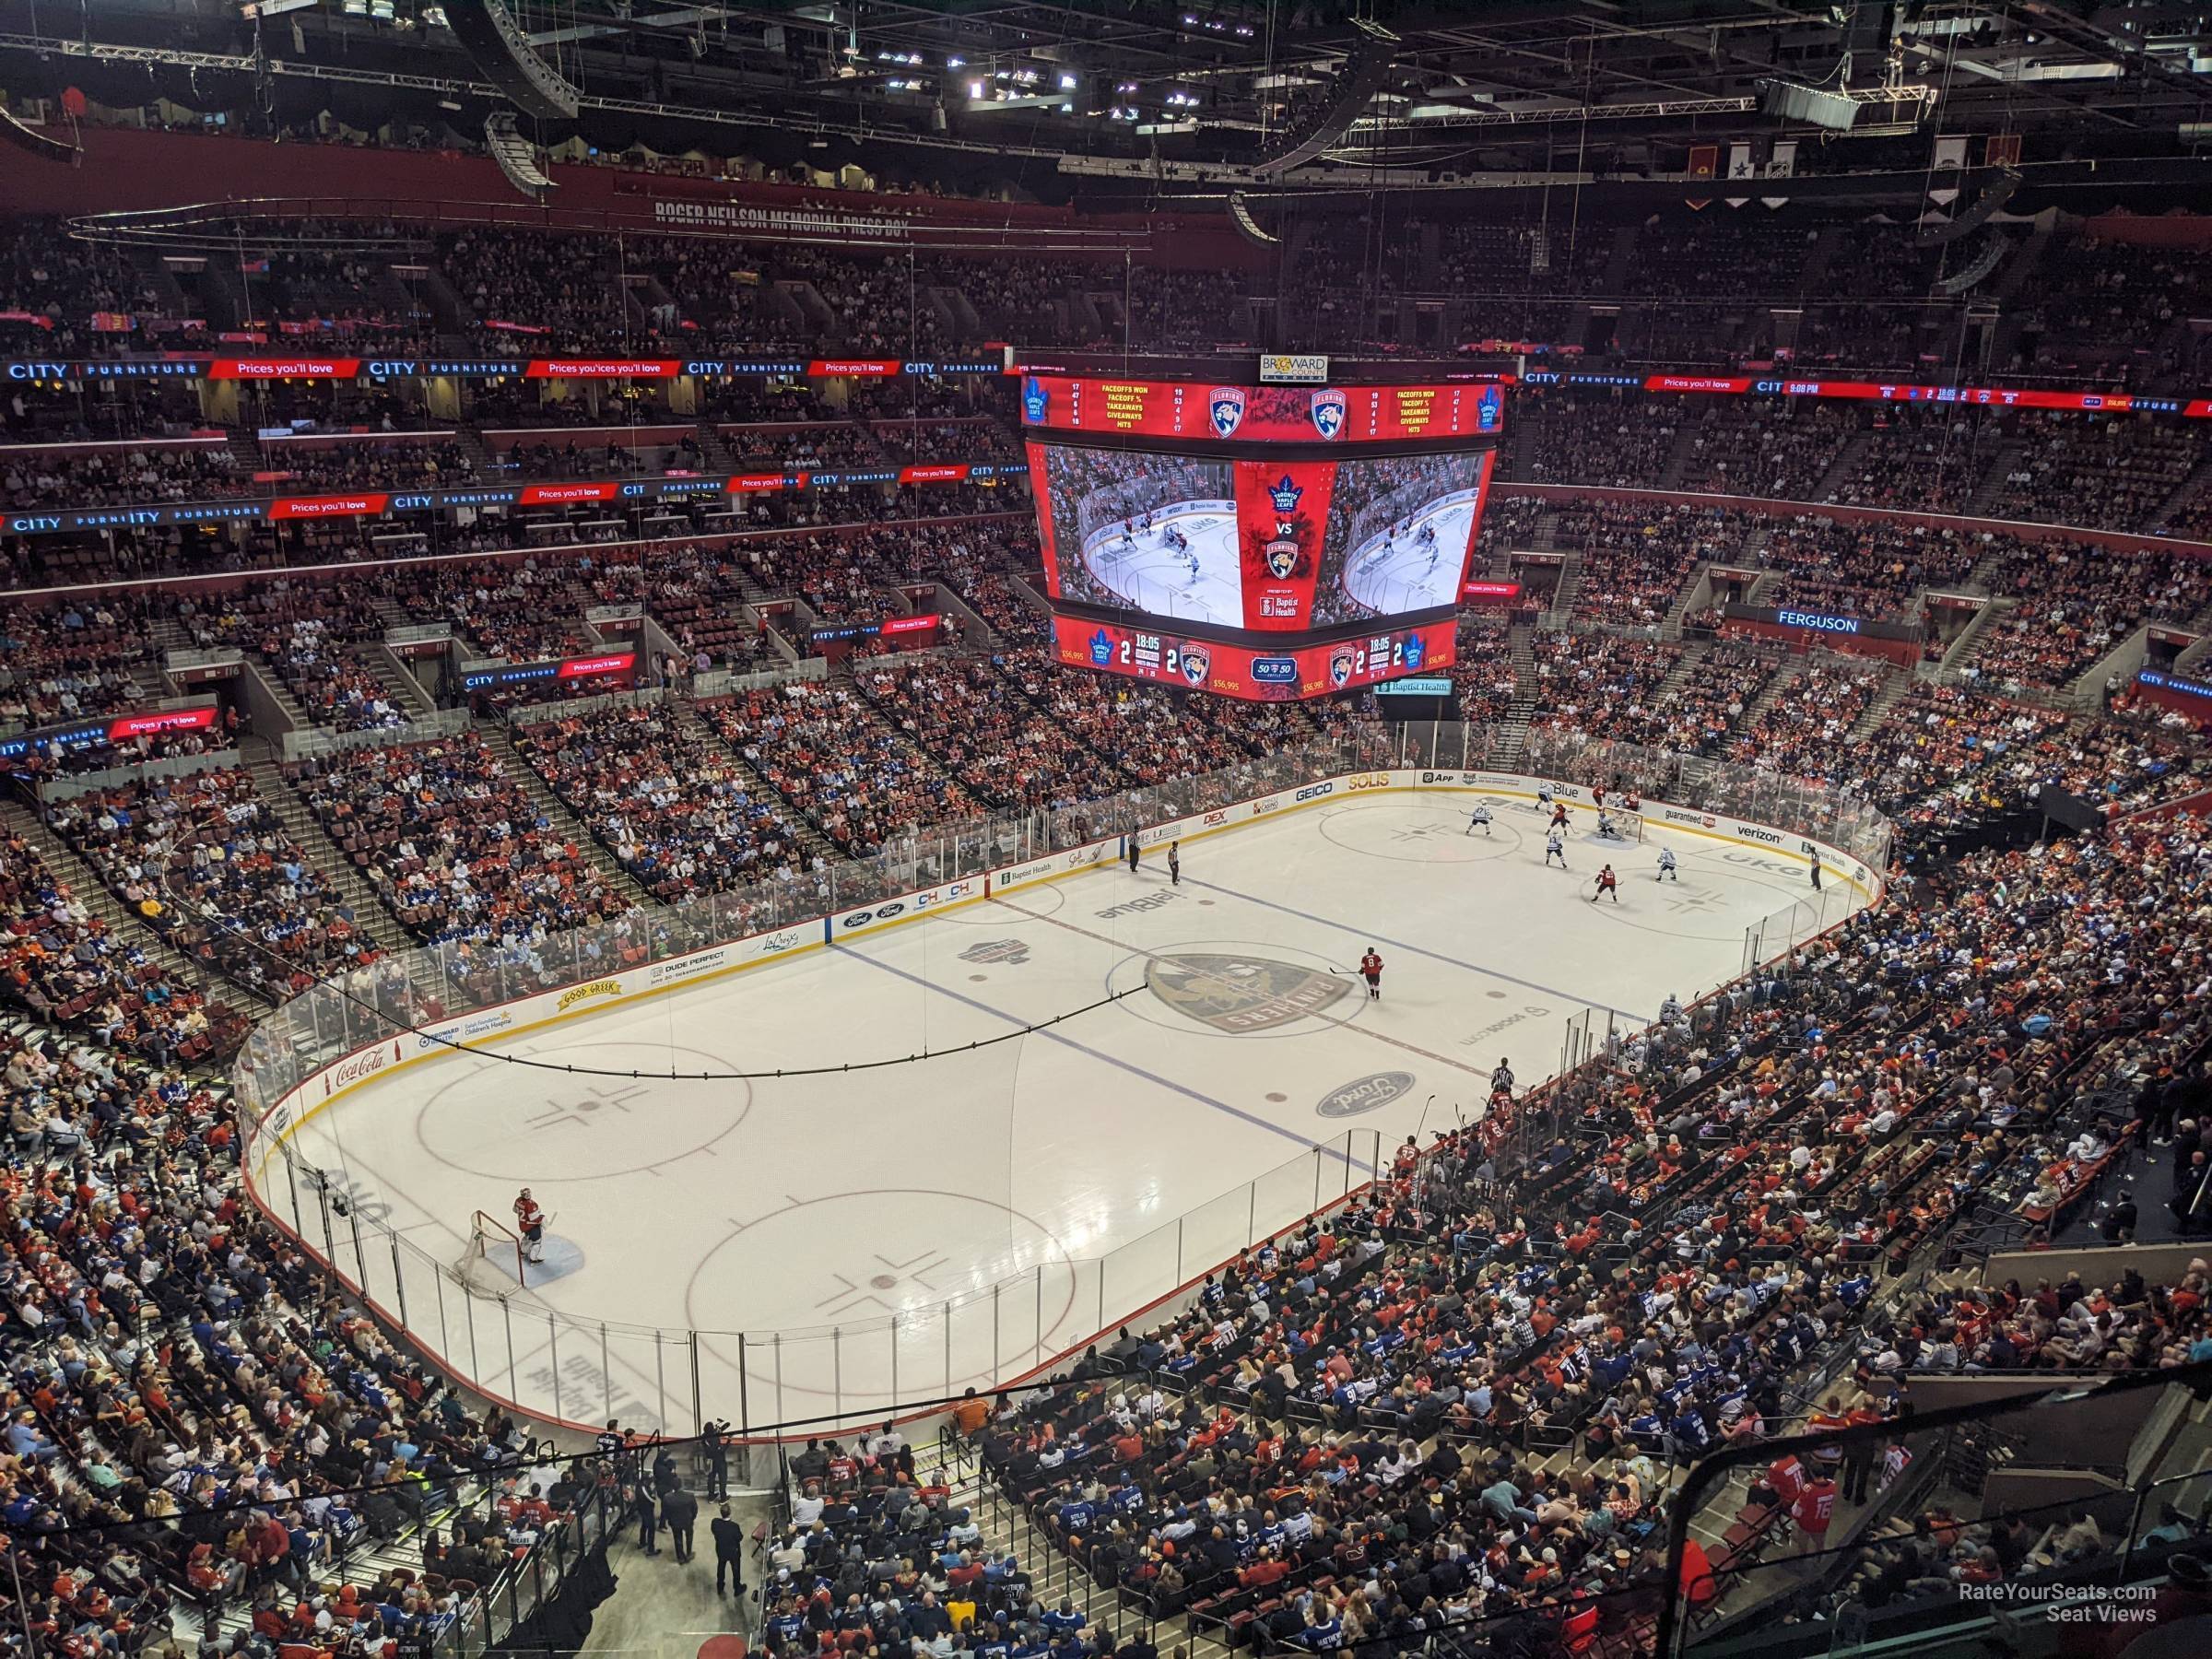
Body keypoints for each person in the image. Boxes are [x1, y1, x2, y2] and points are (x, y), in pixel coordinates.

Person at [711, 1501, 746, 1597]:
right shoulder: (734, 1526)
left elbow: (714, 1531)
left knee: (721, 1568)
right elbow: (739, 1538)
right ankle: (737, 1588)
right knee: (736, 1570)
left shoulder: (715, 1522)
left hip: (721, 1550)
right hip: (733, 1552)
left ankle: (720, 1587)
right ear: (730, 1513)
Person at [661, 1483, 698, 1564]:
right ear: (681, 1486)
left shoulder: (667, 1498)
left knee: (677, 1538)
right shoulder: (690, 1496)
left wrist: (669, 1519)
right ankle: (689, 1553)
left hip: (675, 1522)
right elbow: (695, 1509)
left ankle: (680, 1557)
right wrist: (692, 1518)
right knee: (689, 1535)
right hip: (687, 1521)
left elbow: (665, 1511)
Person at [513, 1188, 547, 1265]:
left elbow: (514, 1210)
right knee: (536, 1242)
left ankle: (522, 1252)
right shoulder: (531, 1204)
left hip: (522, 1225)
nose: (528, 1195)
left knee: (528, 1237)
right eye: (527, 1193)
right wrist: (541, 1218)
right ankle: (533, 1260)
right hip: (531, 1227)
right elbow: (534, 1218)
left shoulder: (518, 1200)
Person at [632, 1480, 659, 1557]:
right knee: (651, 1528)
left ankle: (642, 1542)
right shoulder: (644, 1489)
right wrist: (653, 1491)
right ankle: (651, 1549)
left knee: (644, 1525)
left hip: (642, 1509)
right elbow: (652, 1499)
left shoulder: (638, 1486)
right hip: (647, 1510)